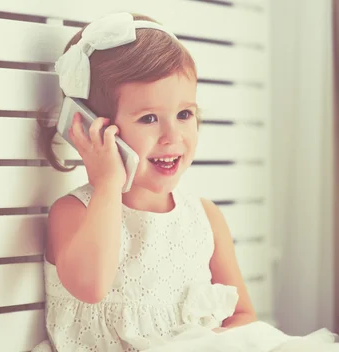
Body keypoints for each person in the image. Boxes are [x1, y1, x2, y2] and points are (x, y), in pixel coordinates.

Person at [31, 12, 335, 351]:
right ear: (93, 128)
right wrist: (107, 185)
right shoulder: (75, 213)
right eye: (148, 118)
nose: (171, 135)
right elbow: (91, 286)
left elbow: (243, 316)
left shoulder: (203, 217)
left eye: (184, 114)